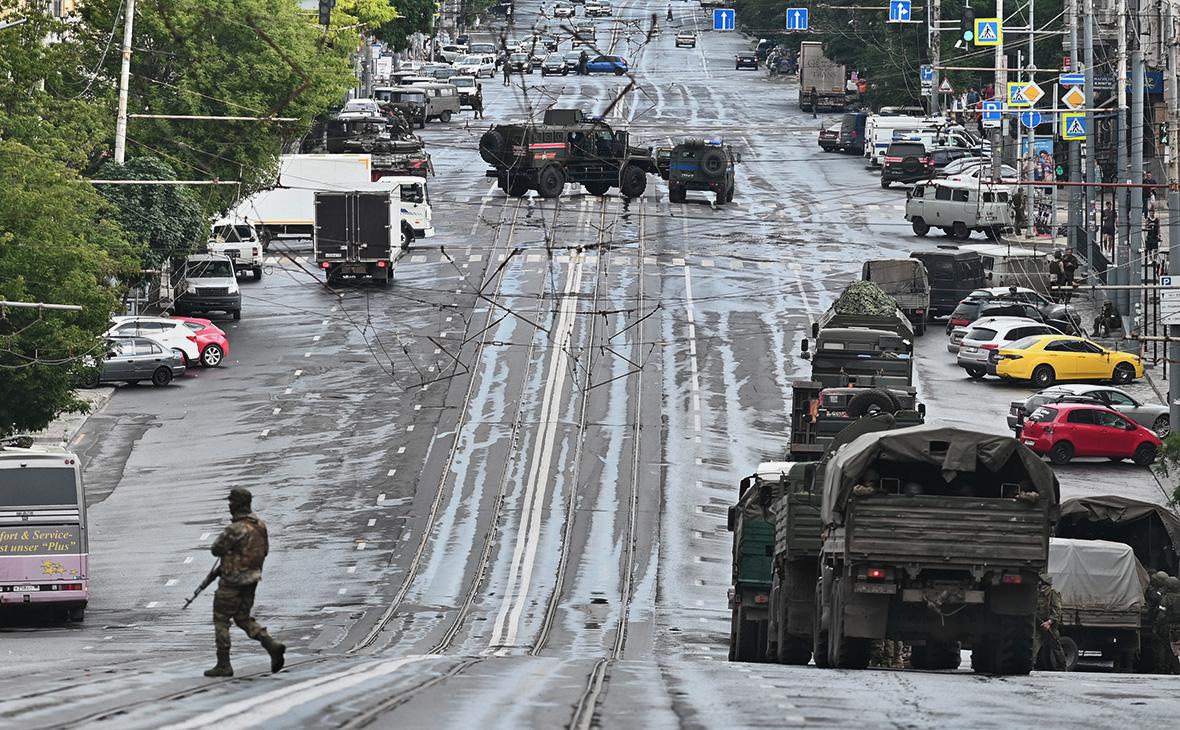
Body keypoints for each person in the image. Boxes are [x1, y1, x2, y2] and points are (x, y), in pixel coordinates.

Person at [204, 488, 285, 677]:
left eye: (231, 502)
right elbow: (264, 550)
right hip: (252, 579)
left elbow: (216, 549)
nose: (229, 505)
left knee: (222, 619)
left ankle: (223, 664)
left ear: (237, 504)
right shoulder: (260, 526)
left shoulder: (236, 529)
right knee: (242, 617)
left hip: (232, 582)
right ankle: (270, 644)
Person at [1033, 572, 1069, 671]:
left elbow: (1057, 610)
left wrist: (1049, 622)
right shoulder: (1038, 593)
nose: (1040, 585)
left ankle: (1062, 667)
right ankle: (1031, 664)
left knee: (1055, 646)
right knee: (1034, 645)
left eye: (1042, 583)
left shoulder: (1053, 594)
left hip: (1050, 625)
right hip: (1039, 623)